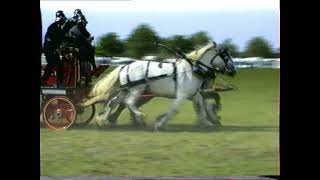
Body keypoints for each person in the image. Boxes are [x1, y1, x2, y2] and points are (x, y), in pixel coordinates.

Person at [69, 14, 96, 86]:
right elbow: (83, 39)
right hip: (75, 50)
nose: (84, 25)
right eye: (83, 24)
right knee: (84, 53)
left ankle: (91, 69)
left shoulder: (81, 28)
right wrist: (89, 40)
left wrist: (89, 39)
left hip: (80, 48)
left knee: (89, 50)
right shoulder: (75, 30)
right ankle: (85, 74)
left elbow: (87, 35)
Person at [42, 10, 66, 87]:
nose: (63, 21)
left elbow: (63, 38)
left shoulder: (58, 28)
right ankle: (44, 80)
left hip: (53, 51)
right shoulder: (52, 27)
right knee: (52, 64)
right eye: (62, 19)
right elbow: (49, 40)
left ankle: (59, 82)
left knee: (59, 64)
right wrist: (54, 49)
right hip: (49, 50)